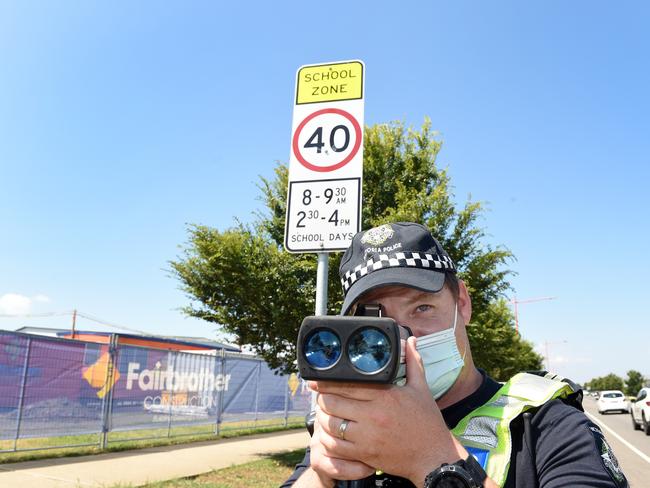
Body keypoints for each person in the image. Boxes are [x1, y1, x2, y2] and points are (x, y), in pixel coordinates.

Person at [282, 222, 628, 488]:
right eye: (377, 320)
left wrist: (436, 460)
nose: (405, 338)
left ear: (462, 303)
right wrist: (321, 473)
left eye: (421, 308)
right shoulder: (354, 426)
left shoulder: (546, 426)